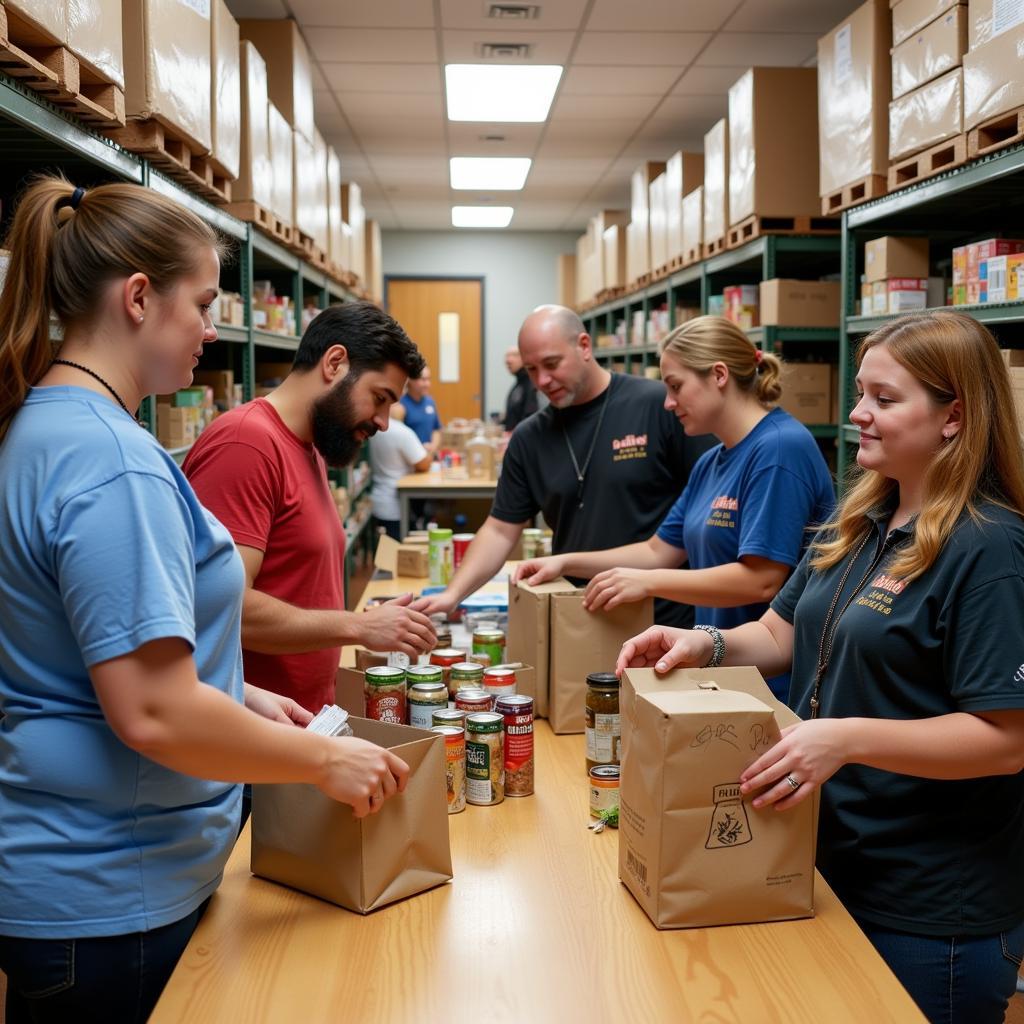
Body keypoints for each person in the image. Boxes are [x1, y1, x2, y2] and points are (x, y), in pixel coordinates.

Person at [0, 177, 408, 1023]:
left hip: (86, 874)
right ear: (140, 299)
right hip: (113, 892)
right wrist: (326, 761)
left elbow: (97, 654)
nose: (214, 329)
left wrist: (240, 691)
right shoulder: (111, 461)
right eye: (203, 303)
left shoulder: (44, 429)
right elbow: (152, 711)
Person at [616, 311, 1024, 1024]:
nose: (858, 414)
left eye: (885, 400)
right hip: (830, 861)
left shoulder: (990, 550)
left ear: (954, 415)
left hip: (930, 907)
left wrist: (841, 737)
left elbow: (1007, 739)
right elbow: (780, 632)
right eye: (860, 393)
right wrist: (703, 646)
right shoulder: (863, 519)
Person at [515, 316, 834, 700]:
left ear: (718, 375)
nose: (668, 403)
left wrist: (647, 583)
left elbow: (760, 580)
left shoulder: (780, 449)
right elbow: (657, 551)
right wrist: (566, 563)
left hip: (773, 687)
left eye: (676, 386)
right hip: (722, 678)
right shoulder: (712, 461)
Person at [184, 303, 437, 714]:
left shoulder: (309, 446)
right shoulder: (245, 444)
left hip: (302, 722)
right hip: (253, 737)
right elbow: (225, 605)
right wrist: (358, 626)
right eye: (379, 397)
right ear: (335, 363)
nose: (385, 422)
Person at [415, 305, 713, 627]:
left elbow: (706, 514)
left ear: (584, 346)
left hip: (664, 619)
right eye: (531, 370)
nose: (542, 380)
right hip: (578, 617)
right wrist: (453, 594)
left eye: (552, 364)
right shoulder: (530, 438)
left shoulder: (660, 407)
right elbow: (500, 529)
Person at [369, 401, 432, 541]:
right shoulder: (401, 431)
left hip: (379, 499)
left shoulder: (374, 429)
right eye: (398, 402)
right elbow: (423, 464)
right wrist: (429, 452)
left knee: (385, 555)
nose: (403, 406)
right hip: (396, 505)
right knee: (399, 556)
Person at [400, 363, 441, 454]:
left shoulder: (430, 402)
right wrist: (418, 449)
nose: (427, 384)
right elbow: (397, 438)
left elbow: (436, 429)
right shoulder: (400, 406)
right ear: (410, 380)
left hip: (429, 456)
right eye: (423, 380)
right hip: (411, 459)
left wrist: (433, 446)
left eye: (428, 379)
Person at [502, 344, 539, 431]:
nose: (508, 360)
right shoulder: (518, 383)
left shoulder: (532, 382)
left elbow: (530, 417)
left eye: (514, 355)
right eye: (507, 356)